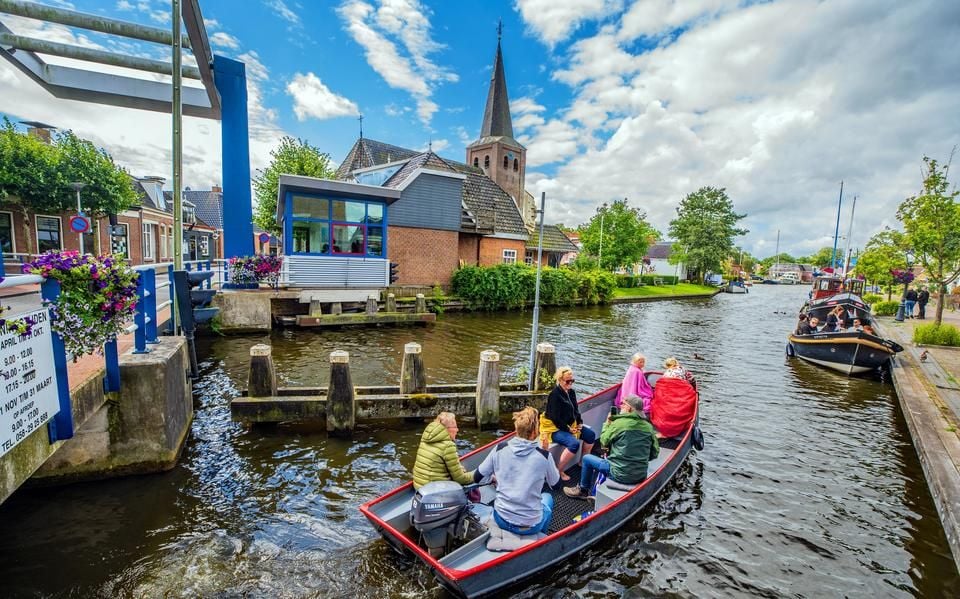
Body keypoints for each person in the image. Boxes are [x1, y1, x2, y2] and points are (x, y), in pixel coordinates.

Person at [474, 406, 559, 536]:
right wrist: (546, 452)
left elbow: (477, 477)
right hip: (530, 525)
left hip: (501, 518)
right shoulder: (544, 456)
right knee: (547, 498)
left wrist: (493, 479)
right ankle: (540, 538)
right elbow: (555, 484)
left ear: (517, 429)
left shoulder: (499, 449)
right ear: (534, 433)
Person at [563, 394, 660, 499]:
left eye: (623, 404)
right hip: (640, 475)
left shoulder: (618, 424)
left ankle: (582, 491)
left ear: (629, 409)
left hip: (618, 474)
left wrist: (607, 423)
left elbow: (604, 441)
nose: (620, 405)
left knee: (587, 459)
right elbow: (654, 453)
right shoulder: (649, 428)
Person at [541, 367, 597, 481]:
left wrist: (580, 422)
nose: (570, 384)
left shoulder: (571, 392)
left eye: (572, 381)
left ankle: (583, 462)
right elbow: (555, 418)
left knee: (590, 435)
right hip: (554, 428)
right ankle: (558, 471)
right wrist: (568, 429)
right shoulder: (554, 395)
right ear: (560, 380)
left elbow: (575, 410)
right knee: (574, 444)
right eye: (567, 381)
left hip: (569, 426)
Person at [412, 412, 474, 490]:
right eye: (455, 427)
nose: (457, 430)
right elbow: (460, 479)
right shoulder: (448, 446)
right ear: (447, 429)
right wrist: (476, 475)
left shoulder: (426, 437)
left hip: (419, 487)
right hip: (433, 491)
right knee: (472, 487)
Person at [651, 362, 698, 438]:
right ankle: (675, 428)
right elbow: (692, 380)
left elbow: (662, 384)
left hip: (671, 389)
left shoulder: (667, 372)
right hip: (679, 389)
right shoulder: (683, 369)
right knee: (684, 403)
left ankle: (664, 427)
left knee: (659, 403)